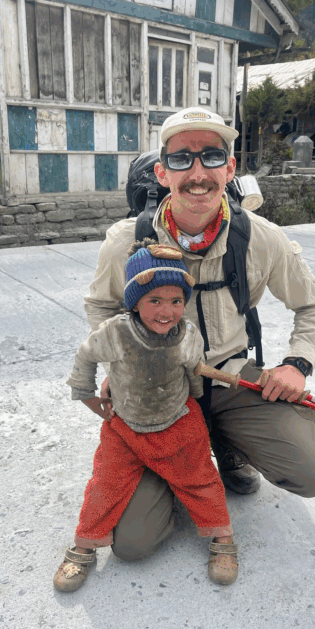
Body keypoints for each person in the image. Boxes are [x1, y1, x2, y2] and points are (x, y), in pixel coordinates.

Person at [75, 106, 315, 564]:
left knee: (313, 474)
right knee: (133, 544)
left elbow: (312, 305)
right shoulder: (125, 240)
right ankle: (182, 468)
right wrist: (120, 362)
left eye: (212, 157)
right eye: (181, 159)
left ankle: (225, 442)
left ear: (230, 168)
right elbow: (101, 305)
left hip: (231, 377)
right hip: (159, 392)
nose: (198, 173)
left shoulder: (260, 237)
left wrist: (296, 364)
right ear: (162, 172)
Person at [54, 240, 237, 591]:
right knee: (105, 485)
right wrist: (86, 395)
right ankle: (84, 544)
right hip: (124, 428)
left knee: (201, 480)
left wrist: (197, 407)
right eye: (154, 300)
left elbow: (194, 378)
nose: (166, 311)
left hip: (178, 425)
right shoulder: (115, 332)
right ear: (135, 302)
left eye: (176, 301)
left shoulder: (188, 336)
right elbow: (86, 355)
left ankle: (223, 537)